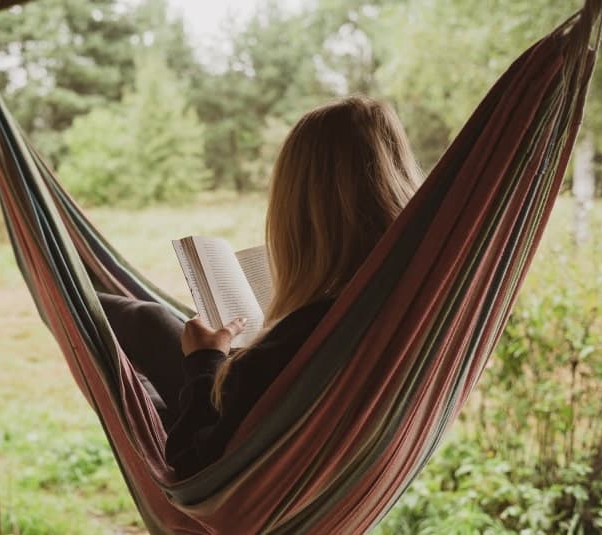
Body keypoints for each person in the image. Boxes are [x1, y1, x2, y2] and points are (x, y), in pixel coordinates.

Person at [99, 95, 423, 479]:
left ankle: (77, 294)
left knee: (143, 328)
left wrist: (205, 363)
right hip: (327, 458)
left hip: (239, 466)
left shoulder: (300, 336)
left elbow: (189, 463)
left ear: (300, 210)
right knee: (149, 330)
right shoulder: (410, 291)